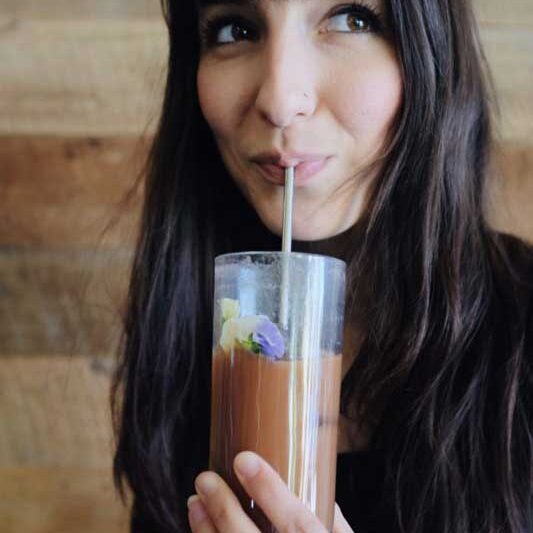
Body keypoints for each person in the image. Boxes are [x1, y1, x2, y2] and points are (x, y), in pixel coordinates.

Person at [111, 0, 533, 531]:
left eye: (352, 19)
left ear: (430, 54)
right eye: (235, 28)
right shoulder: (188, 331)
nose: (280, 101)